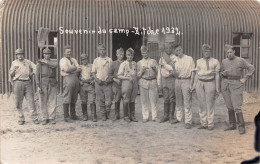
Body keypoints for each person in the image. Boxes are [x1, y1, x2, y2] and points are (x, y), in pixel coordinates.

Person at [220, 44, 255, 134]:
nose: (229, 54)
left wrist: (245, 78)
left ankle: (241, 126)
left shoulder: (240, 60)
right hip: (226, 85)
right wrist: (223, 73)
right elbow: (220, 72)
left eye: (231, 52)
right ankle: (232, 124)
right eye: (227, 53)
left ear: (234, 51)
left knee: (237, 107)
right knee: (229, 106)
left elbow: (251, 68)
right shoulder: (224, 61)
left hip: (236, 84)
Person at [191, 44, 220, 130]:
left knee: (210, 104)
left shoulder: (215, 61)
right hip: (200, 83)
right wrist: (194, 85)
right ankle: (203, 123)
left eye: (208, 51)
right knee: (201, 104)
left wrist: (217, 87)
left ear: (210, 51)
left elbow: (217, 75)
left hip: (210, 83)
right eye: (204, 51)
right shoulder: (199, 61)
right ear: (202, 52)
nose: (206, 52)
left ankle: (210, 124)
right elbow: (196, 74)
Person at [9, 48, 39, 125]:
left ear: (23, 54)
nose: (20, 56)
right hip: (18, 82)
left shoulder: (27, 62)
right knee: (18, 102)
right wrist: (14, 70)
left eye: (21, 54)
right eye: (18, 54)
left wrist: (31, 74)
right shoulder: (14, 63)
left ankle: (34, 118)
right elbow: (11, 74)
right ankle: (21, 118)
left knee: (31, 101)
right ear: (16, 55)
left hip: (27, 82)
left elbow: (36, 67)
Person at [174, 44, 195, 129]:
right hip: (177, 80)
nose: (178, 52)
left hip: (186, 80)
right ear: (175, 52)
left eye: (179, 50)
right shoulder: (174, 60)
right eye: (177, 51)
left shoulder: (189, 59)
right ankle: (179, 118)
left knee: (187, 101)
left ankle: (188, 121)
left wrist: (191, 83)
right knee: (178, 100)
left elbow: (193, 72)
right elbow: (173, 72)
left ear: (182, 49)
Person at [137, 46, 159, 123]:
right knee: (144, 100)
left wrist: (154, 69)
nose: (144, 54)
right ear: (141, 53)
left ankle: (154, 117)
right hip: (143, 81)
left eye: (146, 52)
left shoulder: (153, 61)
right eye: (143, 52)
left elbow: (158, 73)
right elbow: (138, 75)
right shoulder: (139, 63)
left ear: (148, 52)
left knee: (153, 100)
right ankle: (145, 116)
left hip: (152, 81)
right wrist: (142, 71)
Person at [36, 48, 58, 125]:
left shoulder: (53, 62)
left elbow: (55, 65)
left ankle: (52, 117)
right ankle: (44, 118)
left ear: (50, 54)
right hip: (43, 83)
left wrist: (47, 62)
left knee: (52, 100)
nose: (47, 55)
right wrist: (38, 85)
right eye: (45, 54)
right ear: (43, 54)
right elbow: (37, 75)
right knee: (42, 101)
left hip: (52, 82)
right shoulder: (39, 63)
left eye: (48, 54)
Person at [59, 45, 81, 122]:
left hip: (75, 78)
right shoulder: (63, 60)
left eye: (70, 51)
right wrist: (74, 68)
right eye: (67, 51)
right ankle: (66, 117)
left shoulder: (73, 59)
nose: (69, 53)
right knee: (67, 97)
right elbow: (66, 70)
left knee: (74, 98)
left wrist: (72, 69)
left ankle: (73, 115)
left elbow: (79, 69)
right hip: (67, 78)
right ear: (64, 52)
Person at [158, 42, 178, 124]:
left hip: (171, 79)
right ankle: (165, 116)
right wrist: (159, 81)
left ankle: (171, 116)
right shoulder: (162, 58)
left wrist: (165, 65)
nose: (168, 50)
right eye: (167, 48)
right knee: (165, 98)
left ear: (172, 49)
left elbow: (173, 69)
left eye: (170, 48)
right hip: (164, 79)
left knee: (172, 97)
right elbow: (159, 70)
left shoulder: (174, 58)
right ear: (164, 49)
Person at [92, 44, 113, 121]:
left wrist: (109, 79)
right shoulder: (96, 60)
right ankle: (103, 114)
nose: (102, 51)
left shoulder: (109, 60)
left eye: (103, 49)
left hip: (107, 83)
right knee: (100, 99)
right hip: (99, 83)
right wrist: (97, 80)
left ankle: (108, 113)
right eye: (100, 49)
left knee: (109, 100)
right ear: (98, 51)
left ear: (106, 50)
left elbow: (112, 72)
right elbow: (93, 72)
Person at [117, 48, 138, 122]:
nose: (130, 57)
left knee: (132, 99)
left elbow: (136, 74)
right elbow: (119, 75)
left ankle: (132, 115)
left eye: (131, 55)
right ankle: (126, 116)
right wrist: (127, 78)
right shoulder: (123, 64)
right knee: (126, 99)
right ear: (126, 55)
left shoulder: (135, 63)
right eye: (128, 55)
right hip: (126, 83)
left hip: (134, 82)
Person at [79, 53, 97, 122]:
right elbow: (77, 76)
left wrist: (93, 80)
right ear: (81, 60)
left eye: (86, 59)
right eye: (83, 59)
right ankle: (85, 115)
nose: (84, 61)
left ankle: (93, 115)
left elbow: (95, 74)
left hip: (90, 85)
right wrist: (79, 81)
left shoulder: (92, 66)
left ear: (88, 59)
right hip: (83, 85)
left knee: (92, 100)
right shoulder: (80, 67)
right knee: (83, 100)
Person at [108, 48, 124, 121]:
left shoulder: (125, 62)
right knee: (117, 100)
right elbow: (109, 75)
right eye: (119, 54)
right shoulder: (113, 63)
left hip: (125, 84)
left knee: (126, 100)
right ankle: (116, 114)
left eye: (122, 54)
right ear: (116, 55)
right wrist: (115, 79)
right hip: (116, 85)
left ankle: (127, 115)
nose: (121, 55)